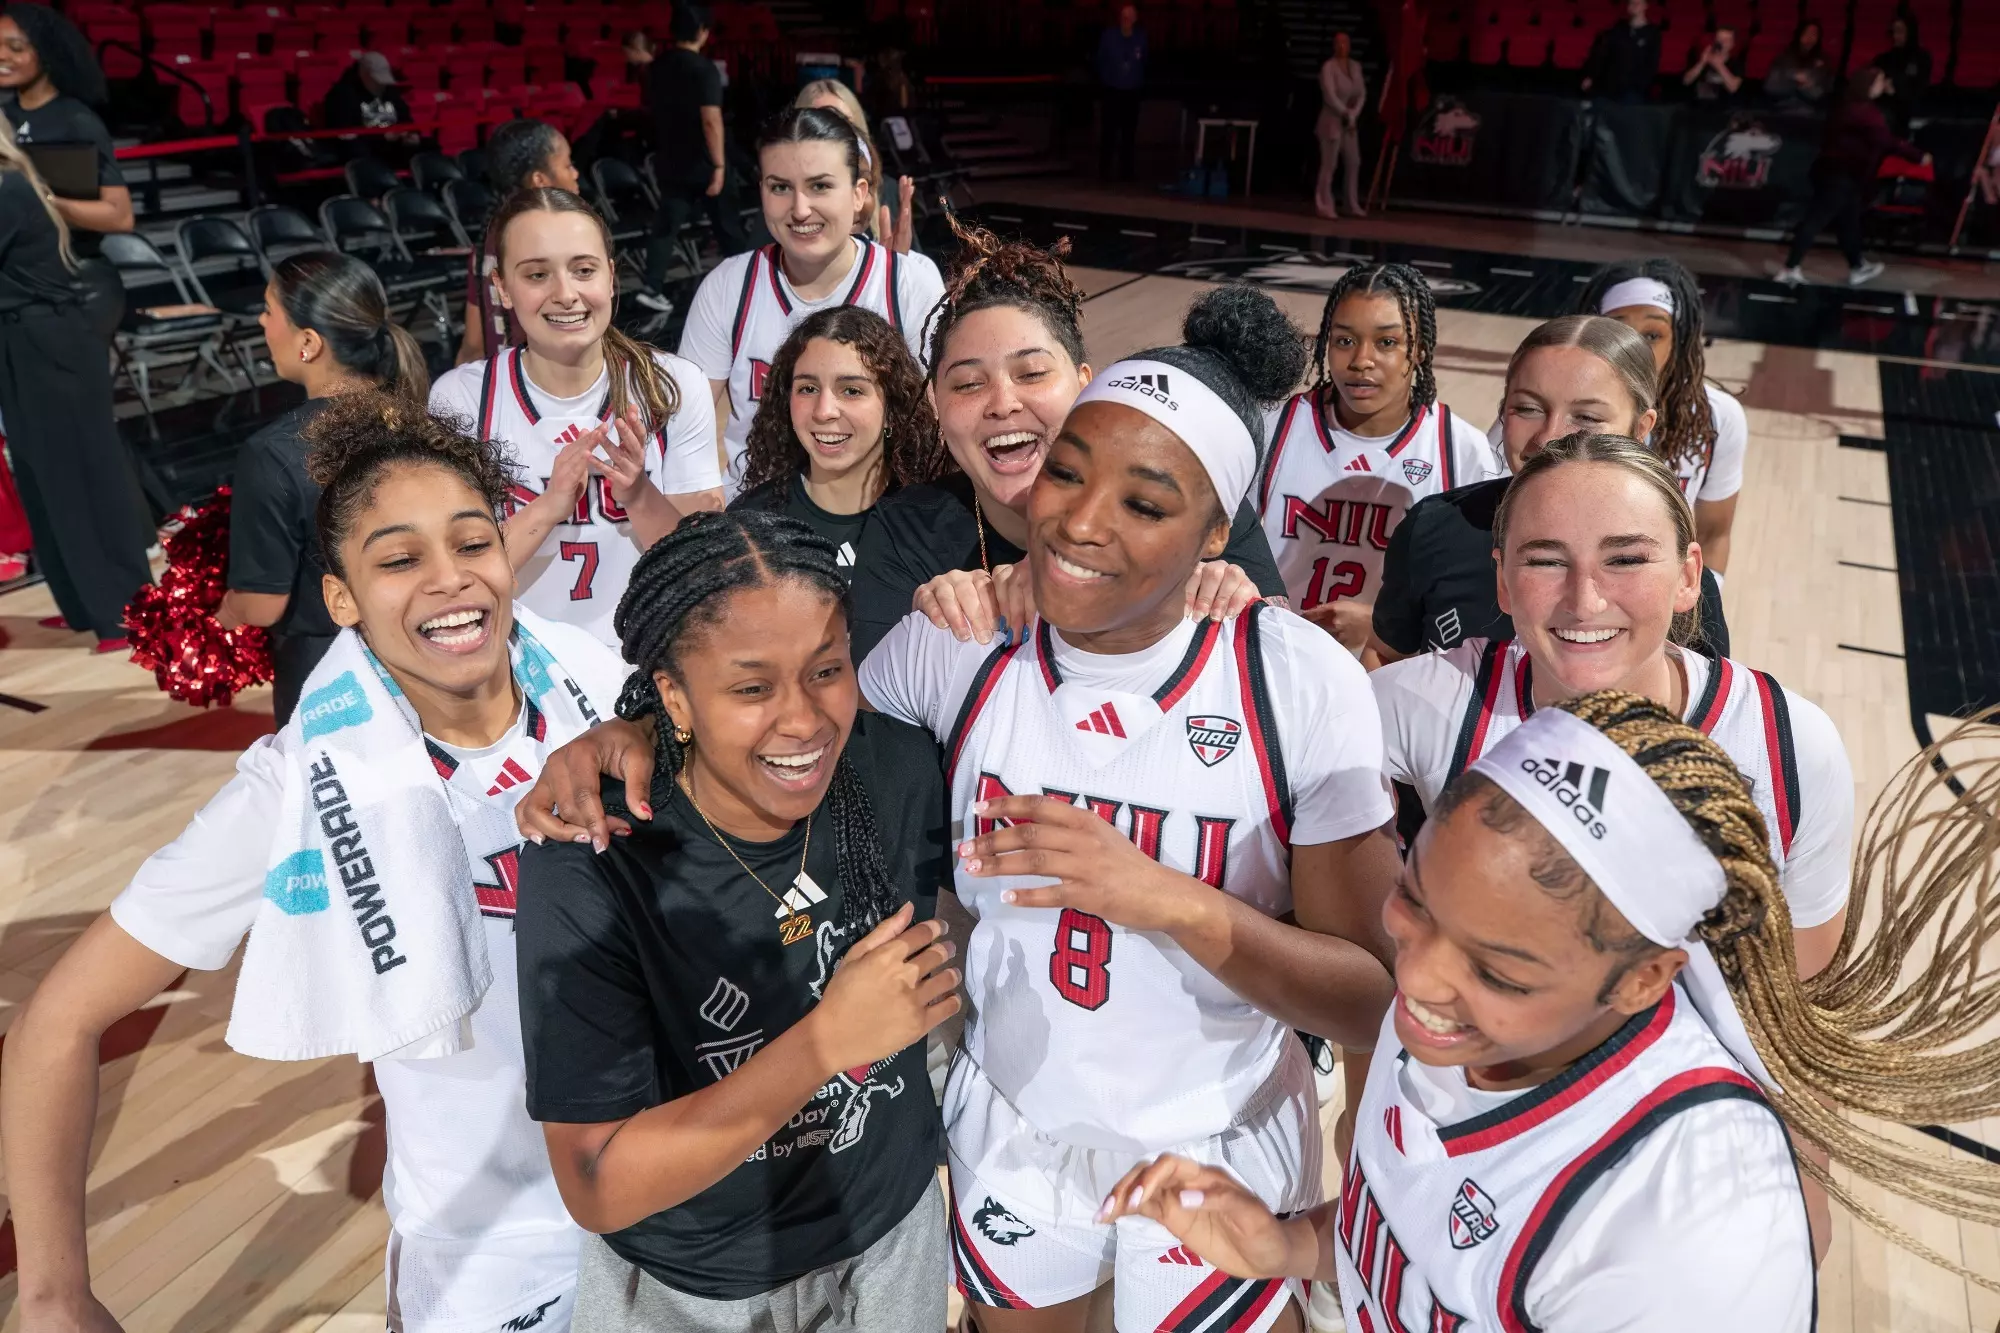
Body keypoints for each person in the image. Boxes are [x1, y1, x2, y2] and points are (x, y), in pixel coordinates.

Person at [526, 286, 1402, 1333]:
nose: (1080, 519)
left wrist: (1169, 900)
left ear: (1218, 528)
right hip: (1012, 1117)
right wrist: (627, 733)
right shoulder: (954, 640)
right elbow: (775, 711)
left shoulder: (1292, 677)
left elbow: (1367, 1001)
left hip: (1217, 1126)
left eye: (1145, 501)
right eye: (1067, 475)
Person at [0, 394, 635, 1333]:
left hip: (686, 1204)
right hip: (497, 1268)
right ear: (340, 597)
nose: (450, 580)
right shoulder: (295, 787)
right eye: (398, 560)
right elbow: (58, 1018)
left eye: (472, 542)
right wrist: (55, 1292)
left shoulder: (604, 682)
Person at [1099, 690, 2000, 1328]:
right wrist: (1289, 1244)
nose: (1415, 980)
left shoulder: (1692, 1241)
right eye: (1415, 900)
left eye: (1500, 970)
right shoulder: (1457, 1023)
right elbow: (1437, 1241)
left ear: (1647, 980)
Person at [515, 509, 961, 1330]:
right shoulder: (594, 855)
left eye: (827, 669)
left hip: (892, 1235)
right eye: (752, 687)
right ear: (674, 698)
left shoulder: (897, 765)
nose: (803, 719)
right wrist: (829, 1041)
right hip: (695, 1284)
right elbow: (596, 1181)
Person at [1373, 430, 1851, 998]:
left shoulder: (1788, 746)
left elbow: (1806, 1004)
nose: (1585, 600)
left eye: (1625, 558)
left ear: (1688, 576)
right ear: (1502, 581)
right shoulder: (1424, 703)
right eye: (1547, 560)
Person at [851, 221, 1284, 661]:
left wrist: (1242, 609)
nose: (1002, 404)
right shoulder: (904, 534)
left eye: (1032, 373)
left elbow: (1287, 673)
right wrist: (926, 636)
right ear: (936, 405)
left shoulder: (1184, 505)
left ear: (1084, 387)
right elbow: (875, 715)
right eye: (966, 384)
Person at [429, 188, 722, 647]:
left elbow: (703, 564)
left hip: (649, 659)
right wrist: (550, 505)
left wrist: (637, 493)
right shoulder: (463, 399)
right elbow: (455, 575)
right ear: (502, 288)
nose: (565, 294)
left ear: (610, 277)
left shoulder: (672, 385)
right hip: (522, 662)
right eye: (537, 275)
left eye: (583, 270)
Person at [1373, 315, 1693, 660]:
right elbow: (1385, 659)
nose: (1548, 437)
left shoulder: (1666, 558)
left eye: (1586, 417)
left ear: (1640, 428)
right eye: (1528, 408)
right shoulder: (1434, 528)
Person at [677, 106, 944, 496]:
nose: (800, 209)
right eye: (780, 187)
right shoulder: (728, 288)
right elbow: (682, 431)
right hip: (761, 524)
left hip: (884, 522)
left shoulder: (908, 282)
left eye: (820, 186)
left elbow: (940, 425)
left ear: (859, 195)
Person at [1258, 263, 1504, 664]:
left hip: (1392, 666)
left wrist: (1385, 623)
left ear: (1420, 348)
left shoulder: (1463, 452)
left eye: (1387, 342)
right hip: (1272, 654)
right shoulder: (1271, 429)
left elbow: (1476, 591)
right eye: (1344, 340)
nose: (1361, 360)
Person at [223, 251, 429, 724]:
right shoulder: (422, 421)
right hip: (425, 655)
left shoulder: (274, 453)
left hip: (331, 684)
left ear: (309, 342)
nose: (261, 321)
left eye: (270, 309)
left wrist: (227, 607)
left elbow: (263, 604)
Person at [0, 112, 150, 651]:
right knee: (42, 480)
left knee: (83, 475)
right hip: (16, 343)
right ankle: (87, 604)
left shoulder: (8, 186)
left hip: (52, 343)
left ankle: (126, 612)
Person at [730, 306, 949, 579]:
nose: (824, 411)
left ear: (892, 409)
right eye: (807, 389)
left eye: (851, 391)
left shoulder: (937, 520)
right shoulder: (749, 524)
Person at [1575, 260, 1745, 593]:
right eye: (1617, 331)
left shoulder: (1719, 417)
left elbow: (1713, 532)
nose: (1635, 348)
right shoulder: (1554, 406)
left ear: (1677, 340)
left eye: (1653, 335)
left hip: (1655, 598)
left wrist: (1702, 612)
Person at [1775, 65, 1929, 288]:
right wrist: (1918, 156)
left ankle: (1857, 266)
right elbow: (1885, 141)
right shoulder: (1864, 112)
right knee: (1816, 220)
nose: (1881, 86)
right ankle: (1790, 268)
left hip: (1842, 174)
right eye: (1878, 82)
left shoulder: (1848, 107)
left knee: (1849, 222)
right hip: (1840, 174)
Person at [640, 1, 752, 305]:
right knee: (728, 227)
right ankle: (750, 286)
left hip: (672, 158)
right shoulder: (704, 69)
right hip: (704, 161)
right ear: (703, 31)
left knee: (666, 226)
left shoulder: (657, 68)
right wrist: (718, 165)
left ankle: (652, 288)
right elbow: (710, 120)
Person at [0, 6, 134, 243]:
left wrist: (47, 203)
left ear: (47, 54)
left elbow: (120, 217)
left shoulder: (76, 120)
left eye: (16, 47)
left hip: (66, 271)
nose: (1, 55)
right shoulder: (3, 116)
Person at [455, 118, 582, 367]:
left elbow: (473, 345)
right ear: (540, 180)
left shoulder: (487, 241)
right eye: (568, 165)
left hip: (501, 387)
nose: (575, 173)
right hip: (548, 387)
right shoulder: (563, 239)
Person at [796, 76, 916, 252]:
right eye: (825, 121)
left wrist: (897, 268)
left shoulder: (888, 190)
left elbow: (915, 267)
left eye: (845, 121)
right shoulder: (786, 200)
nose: (837, 132)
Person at [1315, 33, 1366, 219]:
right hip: (1332, 120)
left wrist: (1353, 114)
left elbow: (1361, 94)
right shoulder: (1328, 67)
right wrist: (1345, 112)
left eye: (1345, 42)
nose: (1342, 46)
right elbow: (1330, 95)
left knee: (1354, 161)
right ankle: (1324, 204)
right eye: (1339, 43)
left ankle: (1351, 203)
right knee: (1330, 164)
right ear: (1334, 46)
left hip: (1350, 122)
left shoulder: (1355, 66)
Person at [1095, 3, 1145, 181]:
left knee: (1128, 135)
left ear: (1135, 19)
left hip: (1132, 94)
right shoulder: (1109, 36)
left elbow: (1145, 63)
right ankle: (1104, 172)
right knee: (1108, 133)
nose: (1127, 20)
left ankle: (1126, 173)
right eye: (1124, 16)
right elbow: (1100, 61)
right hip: (1112, 92)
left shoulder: (1141, 38)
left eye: (1130, 17)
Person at [1580, 0, 1660, 102]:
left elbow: (1652, 63)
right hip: (1609, 85)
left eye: (1638, 3)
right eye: (1631, 3)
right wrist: (1591, 76)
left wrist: (1640, 84)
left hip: (1633, 90)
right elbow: (1602, 54)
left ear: (1645, 6)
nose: (1634, 6)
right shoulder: (1617, 29)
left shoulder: (1653, 33)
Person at [1867, 12, 1931, 132]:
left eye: (1900, 31)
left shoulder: (1922, 58)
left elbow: (1920, 87)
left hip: (1907, 104)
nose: (1896, 35)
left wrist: (1895, 89)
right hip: (1884, 103)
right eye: (1894, 31)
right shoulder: (1883, 59)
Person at [323, 51, 411, 131]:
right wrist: (382, 138)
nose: (381, 84)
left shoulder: (390, 91)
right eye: (376, 80)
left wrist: (411, 134)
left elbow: (405, 119)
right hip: (364, 145)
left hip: (395, 145)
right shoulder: (342, 96)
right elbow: (345, 134)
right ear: (363, 75)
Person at [1761, 20, 1830, 114]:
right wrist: (1794, 75)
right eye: (1807, 33)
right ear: (1800, 34)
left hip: (1808, 104)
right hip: (1782, 101)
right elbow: (1771, 84)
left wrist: (1807, 81)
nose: (1810, 37)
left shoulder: (1822, 59)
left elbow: (1820, 87)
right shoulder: (1785, 55)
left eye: (1814, 34)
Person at [1680, 24, 1743, 103]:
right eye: (1719, 39)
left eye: (1726, 40)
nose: (1721, 42)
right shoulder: (1698, 57)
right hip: (1697, 104)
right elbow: (1686, 81)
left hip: (1723, 107)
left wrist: (1719, 66)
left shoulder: (1736, 62)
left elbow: (1733, 88)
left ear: (1732, 44)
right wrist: (1702, 63)